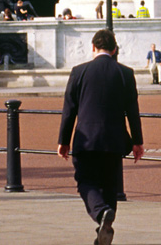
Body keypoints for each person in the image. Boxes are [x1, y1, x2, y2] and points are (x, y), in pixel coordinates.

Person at [57, 29, 143, 245]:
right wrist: (137, 141)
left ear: (93, 47)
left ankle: (100, 213)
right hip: (114, 140)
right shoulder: (125, 73)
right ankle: (104, 228)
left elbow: (69, 110)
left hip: (86, 138)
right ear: (114, 50)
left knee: (85, 181)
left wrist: (64, 140)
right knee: (109, 185)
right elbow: (132, 111)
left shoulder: (79, 71)